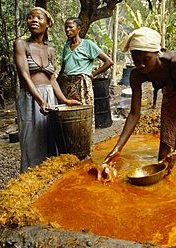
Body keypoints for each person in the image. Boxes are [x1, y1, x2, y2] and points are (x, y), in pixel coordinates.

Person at [99, 27, 176, 182]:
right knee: (164, 148)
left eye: (146, 59)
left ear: (157, 53)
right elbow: (134, 113)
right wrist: (117, 149)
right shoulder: (136, 75)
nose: (141, 65)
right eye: (136, 61)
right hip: (170, 92)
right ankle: (163, 188)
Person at [14, 7, 80, 173]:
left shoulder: (50, 50)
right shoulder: (21, 44)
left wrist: (64, 100)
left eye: (38, 17)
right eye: (30, 17)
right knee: (32, 143)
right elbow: (25, 76)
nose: (34, 20)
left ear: (47, 23)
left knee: (51, 140)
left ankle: (48, 184)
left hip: (49, 98)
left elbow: (52, 80)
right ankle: (29, 183)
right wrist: (40, 101)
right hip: (31, 98)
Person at [57, 17, 113, 106]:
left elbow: (109, 62)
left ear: (78, 29)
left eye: (71, 27)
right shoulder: (66, 47)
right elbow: (64, 67)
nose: (67, 30)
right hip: (68, 85)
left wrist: (92, 75)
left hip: (82, 85)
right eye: (66, 27)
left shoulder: (87, 44)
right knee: (69, 113)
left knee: (84, 110)